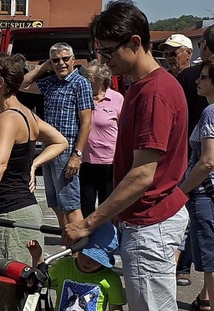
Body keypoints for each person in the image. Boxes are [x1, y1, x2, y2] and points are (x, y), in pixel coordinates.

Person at [63, 2, 190, 310]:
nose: (102, 60)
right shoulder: (143, 86)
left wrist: (88, 223)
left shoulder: (154, 93)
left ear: (135, 42)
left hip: (151, 224)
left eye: (107, 52)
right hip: (151, 220)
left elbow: (142, 174)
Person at [0, 54, 68, 264]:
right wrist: (33, 165)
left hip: (9, 217)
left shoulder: (8, 117)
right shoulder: (26, 113)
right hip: (21, 212)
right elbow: (60, 141)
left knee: (2, 289)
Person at [21, 42, 94, 228]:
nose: (61, 63)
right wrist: (44, 67)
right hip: (49, 149)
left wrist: (77, 155)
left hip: (67, 150)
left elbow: (86, 123)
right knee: (55, 204)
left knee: (71, 206)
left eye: (65, 59)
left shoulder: (81, 84)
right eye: (56, 60)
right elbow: (22, 84)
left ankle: (79, 253)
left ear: (73, 60)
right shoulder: (50, 83)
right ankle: (67, 245)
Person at [175, 25, 214, 288]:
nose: (197, 81)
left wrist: (182, 190)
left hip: (206, 191)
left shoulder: (210, 113)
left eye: (202, 77)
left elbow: (208, 160)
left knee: (210, 263)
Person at [27, 223, 126, 311]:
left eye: (96, 259)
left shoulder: (111, 279)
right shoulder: (64, 266)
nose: (88, 262)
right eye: (85, 254)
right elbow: (40, 281)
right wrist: (37, 257)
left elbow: (115, 307)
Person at [79, 60, 124, 218]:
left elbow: (124, 130)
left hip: (108, 163)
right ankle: (89, 240)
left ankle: (109, 240)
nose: (85, 80)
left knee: (108, 207)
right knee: (86, 206)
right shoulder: (82, 98)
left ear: (101, 78)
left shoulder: (117, 99)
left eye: (89, 77)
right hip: (85, 161)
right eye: (84, 76)